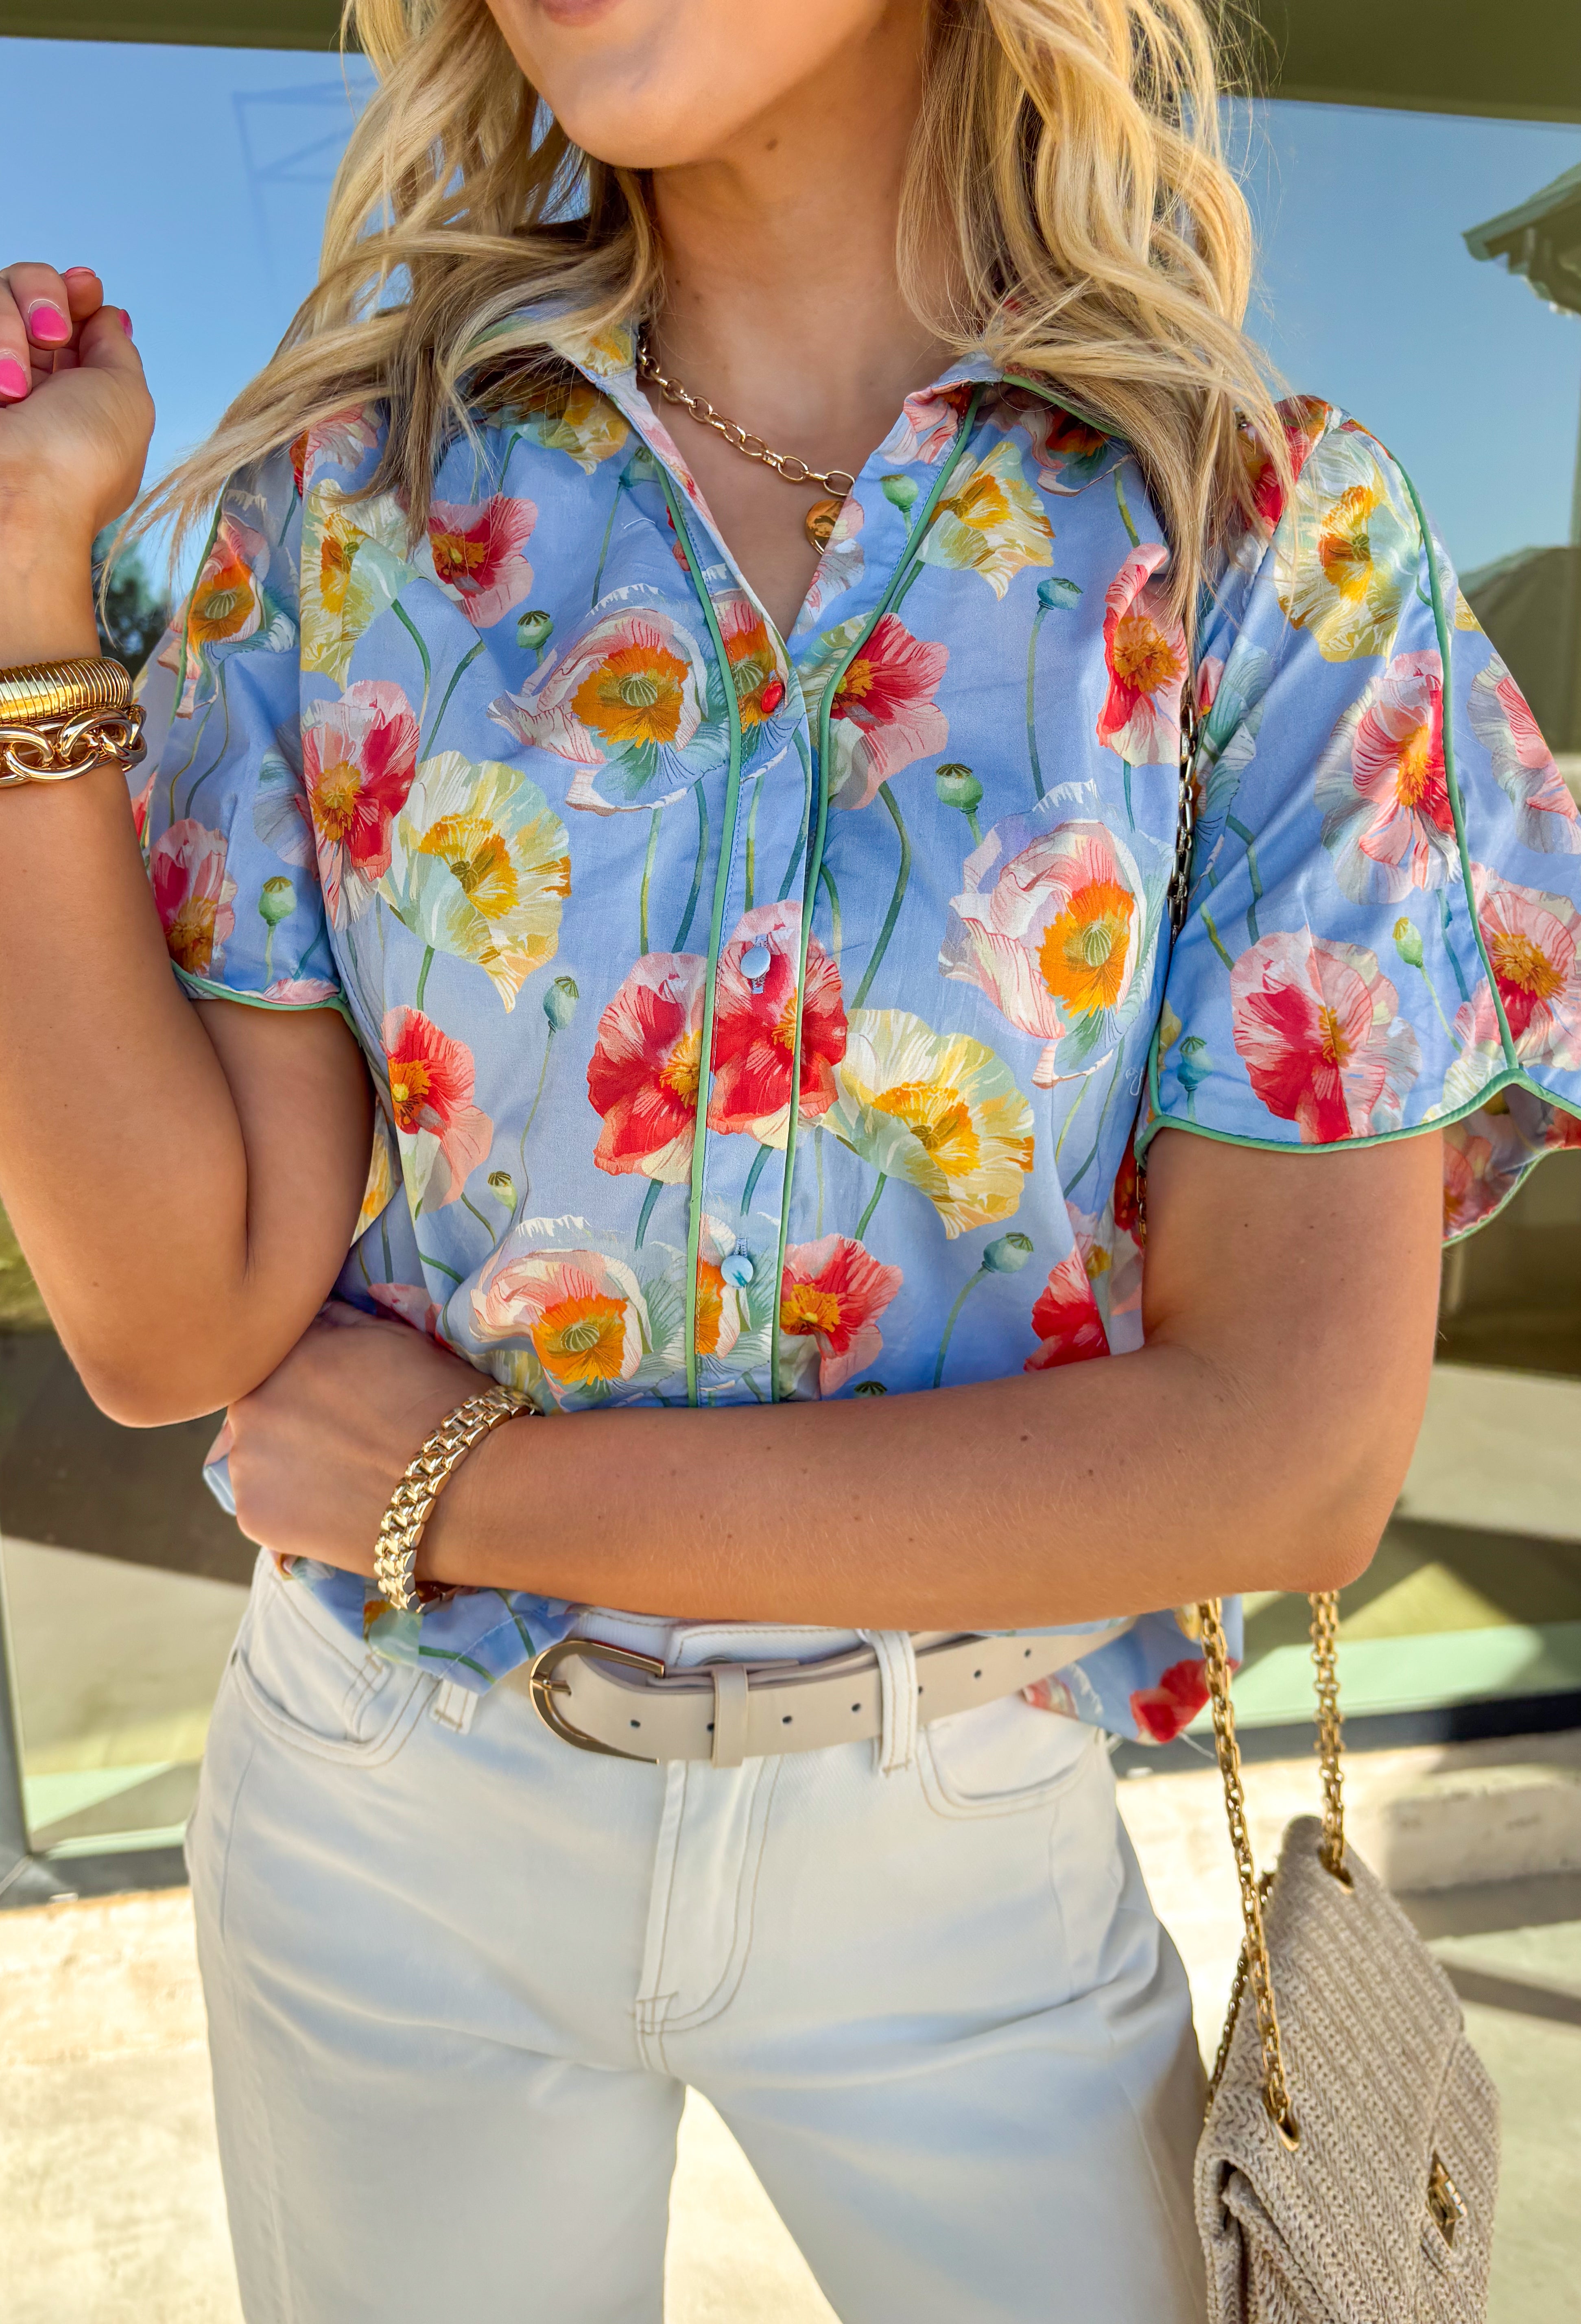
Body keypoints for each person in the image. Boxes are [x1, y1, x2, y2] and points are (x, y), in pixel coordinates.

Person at [2, 0, 1577, 2315]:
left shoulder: (1260, 545)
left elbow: (1287, 1459)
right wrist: (27, 608)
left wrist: (463, 1481)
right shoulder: (345, 508)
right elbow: (172, 1318)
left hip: (952, 1833)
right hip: (384, 1815)